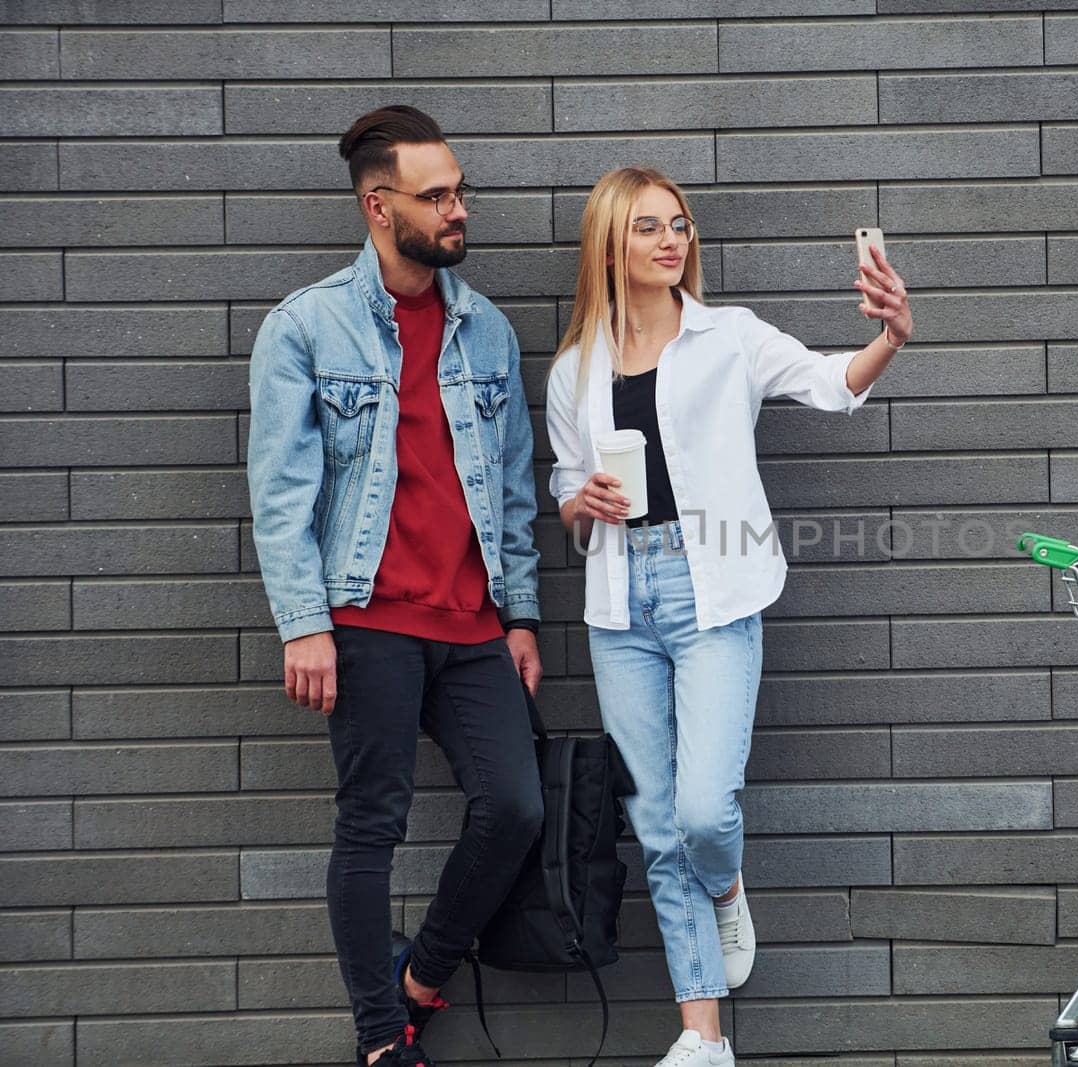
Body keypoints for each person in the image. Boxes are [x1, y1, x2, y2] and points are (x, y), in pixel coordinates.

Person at [544, 166, 914, 1067]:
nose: (672, 240)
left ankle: (727, 877)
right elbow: (562, 487)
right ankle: (701, 1036)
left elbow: (833, 382)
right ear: (609, 246)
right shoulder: (575, 370)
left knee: (703, 815)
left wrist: (892, 335)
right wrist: (580, 502)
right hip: (619, 601)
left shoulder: (730, 338)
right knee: (655, 819)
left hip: (714, 593)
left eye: (679, 224)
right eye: (648, 228)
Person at [247, 105, 545, 1067]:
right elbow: (284, 492)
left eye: (460, 191)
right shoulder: (306, 326)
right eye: (437, 196)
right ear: (380, 207)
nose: (458, 210)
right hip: (364, 614)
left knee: (517, 808)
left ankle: (421, 978)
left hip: (470, 622)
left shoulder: (484, 330)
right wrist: (304, 624)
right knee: (370, 821)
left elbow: (509, 490)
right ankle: (382, 1037)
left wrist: (522, 614)